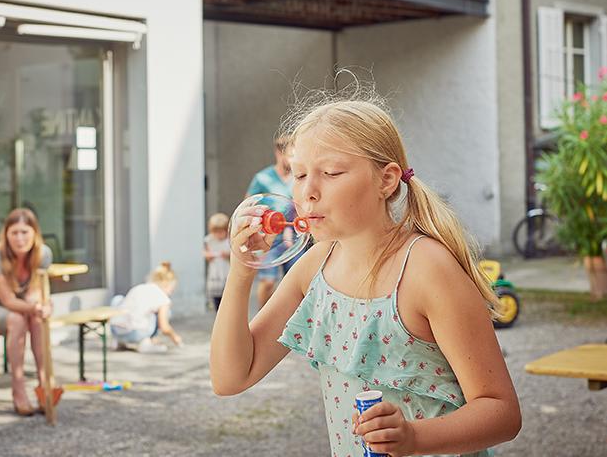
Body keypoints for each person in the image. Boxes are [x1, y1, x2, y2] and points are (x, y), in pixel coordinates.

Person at [211, 97, 521, 457]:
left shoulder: (427, 270)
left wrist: (415, 437)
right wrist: (241, 270)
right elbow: (231, 378)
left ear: (386, 180)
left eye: (330, 173)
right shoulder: (316, 267)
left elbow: (502, 412)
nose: (308, 191)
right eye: (297, 174)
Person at [0, 208, 53, 416]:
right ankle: (18, 390)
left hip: (19, 310)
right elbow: (8, 300)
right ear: (6, 234)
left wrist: (43, 306)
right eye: (14, 233)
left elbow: (33, 295)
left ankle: (45, 385)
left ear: (35, 233)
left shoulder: (43, 254)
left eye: (25, 232)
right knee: (18, 319)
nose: (20, 238)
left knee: (37, 320)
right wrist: (35, 307)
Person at [246, 136, 301, 309]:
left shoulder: (298, 177)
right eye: (290, 156)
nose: (294, 160)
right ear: (279, 153)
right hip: (268, 236)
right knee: (268, 281)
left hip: (294, 235)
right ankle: (261, 319)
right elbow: (247, 204)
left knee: (295, 282)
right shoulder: (262, 178)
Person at [110, 262, 182, 353]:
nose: (171, 293)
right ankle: (145, 342)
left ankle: (118, 341)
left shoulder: (140, 287)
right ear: (167, 284)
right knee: (163, 313)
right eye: (172, 289)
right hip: (135, 333)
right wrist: (175, 337)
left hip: (116, 330)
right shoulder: (163, 298)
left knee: (118, 299)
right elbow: (164, 326)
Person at [203, 213, 231, 311]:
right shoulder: (209, 240)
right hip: (215, 272)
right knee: (216, 297)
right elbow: (205, 253)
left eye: (221, 232)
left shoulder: (229, 241)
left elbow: (233, 255)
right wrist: (209, 255)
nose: (218, 235)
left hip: (226, 271)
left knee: (227, 297)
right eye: (216, 232)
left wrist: (227, 254)